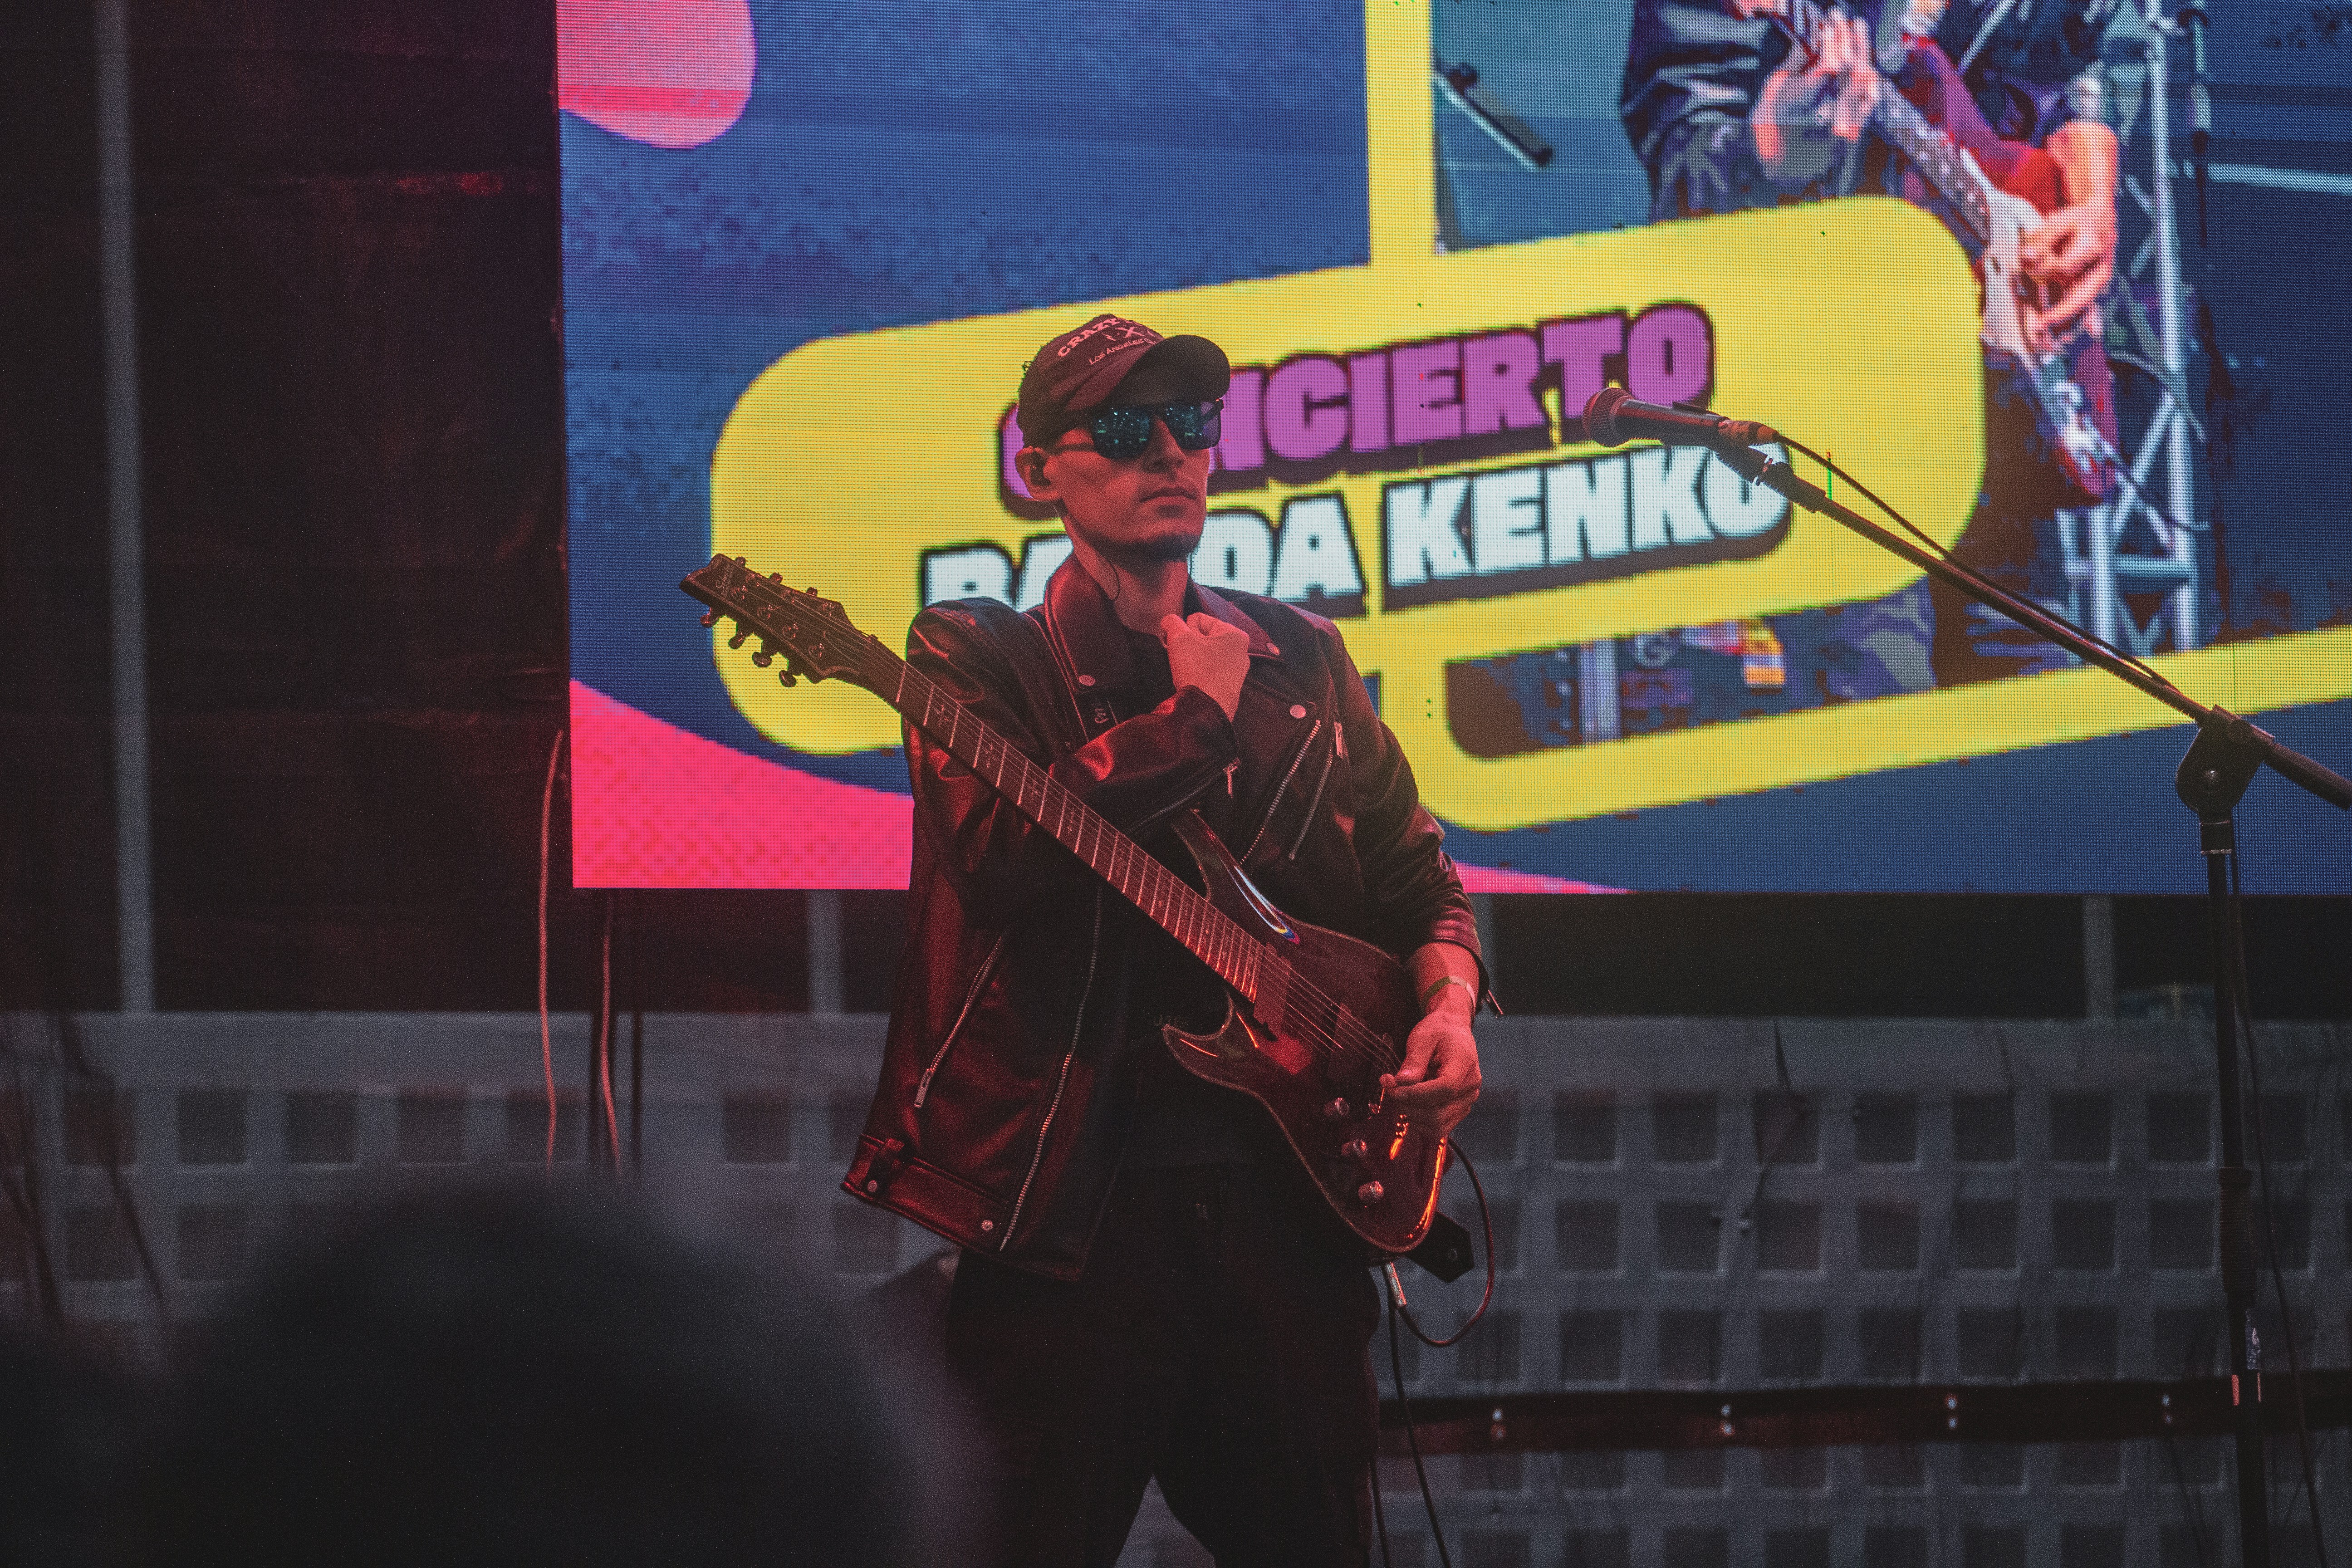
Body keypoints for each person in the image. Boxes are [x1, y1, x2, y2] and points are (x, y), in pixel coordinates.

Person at [841, 313, 1488, 1567]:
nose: (1171, 455)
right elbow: (1004, 860)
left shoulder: (1300, 654)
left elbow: (1421, 882)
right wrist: (1194, 717)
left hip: (1287, 1222)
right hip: (1075, 1218)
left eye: (1190, 426)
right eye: (1128, 432)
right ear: (1041, 470)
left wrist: (1450, 1008)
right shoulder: (979, 657)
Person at [1620, 0, 2126, 693]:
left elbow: (2075, 62)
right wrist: (1769, 155)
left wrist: (2094, 201)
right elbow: (1683, 178)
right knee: (1884, 721)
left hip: (2000, 426)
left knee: (2041, 744)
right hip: (1838, 427)